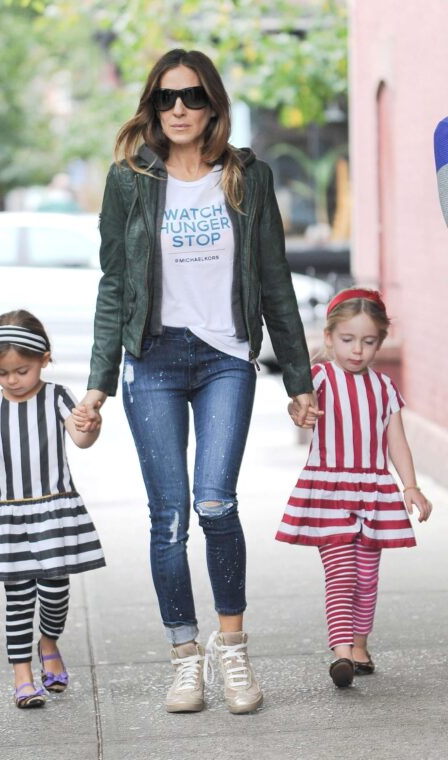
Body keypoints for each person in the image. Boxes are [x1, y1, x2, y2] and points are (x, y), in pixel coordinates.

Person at [74, 48, 316, 714]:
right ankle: (186, 658)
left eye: (191, 97)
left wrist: (299, 377)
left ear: (213, 104)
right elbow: (116, 284)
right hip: (151, 359)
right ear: (152, 107)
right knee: (169, 518)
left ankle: (232, 651)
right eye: (164, 98)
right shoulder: (129, 180)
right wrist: (97, 383)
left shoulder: (247, 177)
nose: (177, 109)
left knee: (215, 503)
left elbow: (273, 279)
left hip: (225, 358)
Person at [276, 288, 433, 687]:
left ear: (380, 342)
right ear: (329, 337)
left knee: (367, 576)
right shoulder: (321, 377)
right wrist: (299, 411)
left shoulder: (383, 388)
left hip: (373, 492)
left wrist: (410, 486)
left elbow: (396, 439)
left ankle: (360, 647)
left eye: (368, 341)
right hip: (329, 490)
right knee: (342, 573)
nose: (357, 351)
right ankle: (341, 652)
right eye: (347, 340)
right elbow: (299, 403)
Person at [0, 309, 105, 708]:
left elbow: (80, 439)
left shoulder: (57, 395)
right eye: (3, 372)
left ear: (44, 359)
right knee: (19, 598)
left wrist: (91, 425)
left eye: (22, 370)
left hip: (54, 511)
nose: (12, 380)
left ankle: (49, 641)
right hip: (9, 514)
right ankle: (22, 676)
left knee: (57, 592)